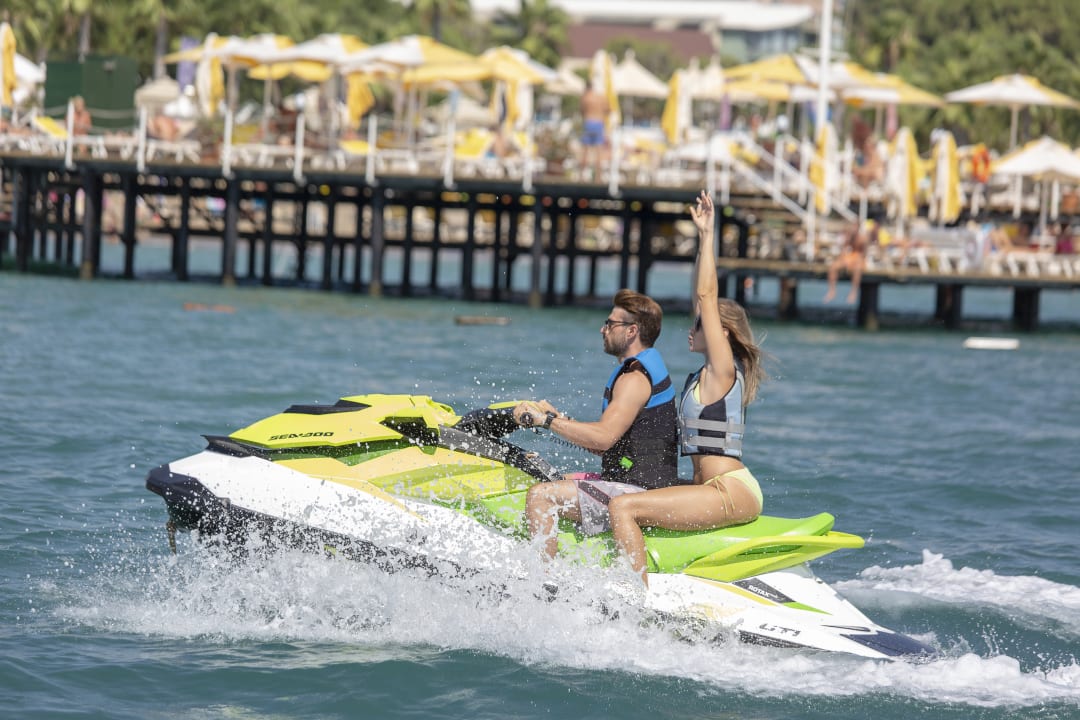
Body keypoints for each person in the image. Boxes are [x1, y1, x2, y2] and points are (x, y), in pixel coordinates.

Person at [605, 191, 768, 585]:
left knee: (624, 508)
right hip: (707, 487)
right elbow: (701, 297)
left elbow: (706, 296)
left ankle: (633, 601)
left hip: (728, 490)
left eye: (699, 324)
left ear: (721, 333)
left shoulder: (722, 371)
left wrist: (708, 236)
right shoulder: (702, 376)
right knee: (624, 492)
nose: (690, 329)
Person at [512, 289, 682, 561]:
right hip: (630, 481)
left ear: (631, 331)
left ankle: (541, 579)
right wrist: (561, 419)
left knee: (541, 495)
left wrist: (546, 421)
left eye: (610, 323)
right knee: (551, 478)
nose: (603, 329)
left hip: (638, 491)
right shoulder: (637, 372)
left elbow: (603, 437)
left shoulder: (634, 380)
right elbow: (606, 445)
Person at [824, 220, 876, 304]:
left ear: (858, 228)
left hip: (859, 258)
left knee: (857, 269)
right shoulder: (848, 237)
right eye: (852, 226)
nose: (853, 228)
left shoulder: (862, 238)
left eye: (855, 227)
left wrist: (854, 260)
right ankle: (832, 290)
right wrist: (844, 260)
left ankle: (853, 292)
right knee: (833, 267)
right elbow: (843, 251)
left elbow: (864, 254)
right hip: (849, 257)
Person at [579, 81, 610, 180]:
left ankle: (581, 175)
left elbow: (582, 111)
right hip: (599, 122)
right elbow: (608, 109)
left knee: (585, 150)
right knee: (598, 150)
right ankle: (598, 176)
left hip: (588, 121)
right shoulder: (601, 97)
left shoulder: (585, 97)